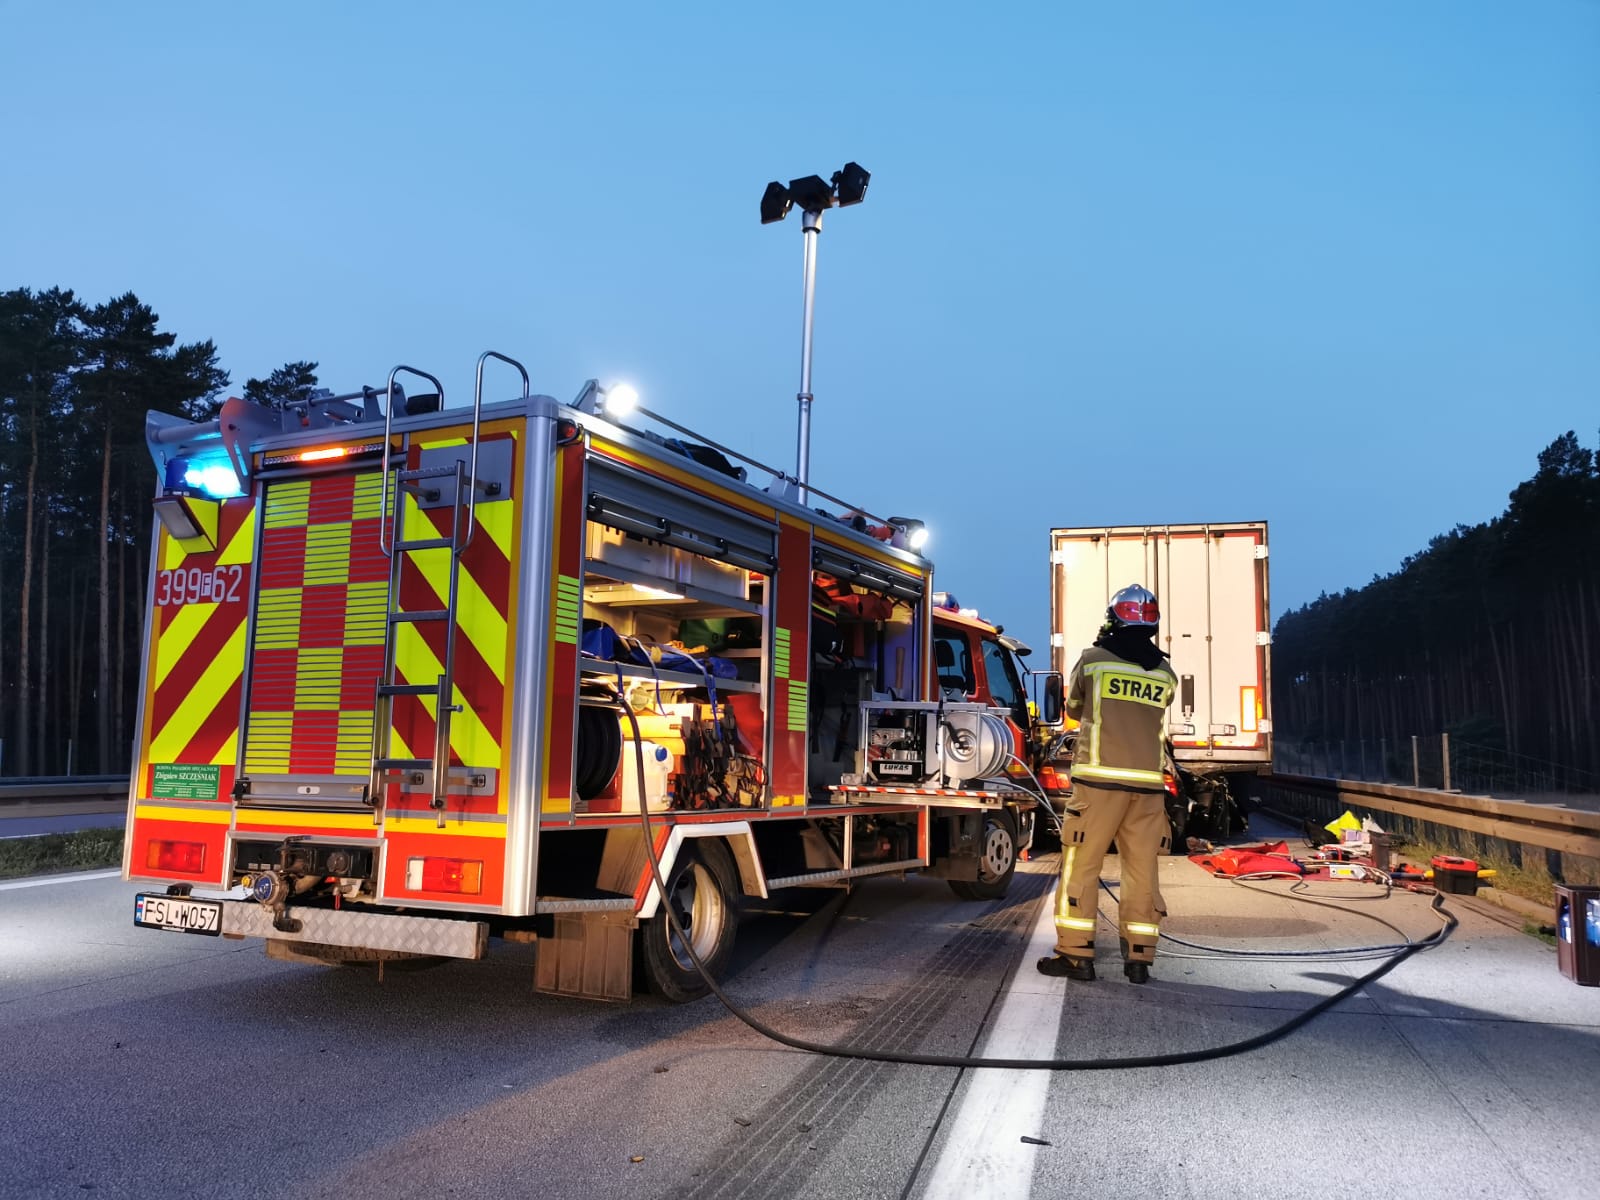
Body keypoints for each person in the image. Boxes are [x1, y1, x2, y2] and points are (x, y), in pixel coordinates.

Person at [1037, 583, 1178, 985]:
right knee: (1141, 872)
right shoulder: (1165, 673)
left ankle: (1076, 955)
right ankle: (1139, 958)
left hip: (1099, 784)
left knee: (1081, 867)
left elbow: (1074, 708)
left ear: (1113, 619)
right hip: (1148, 790)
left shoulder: (1093, 661)